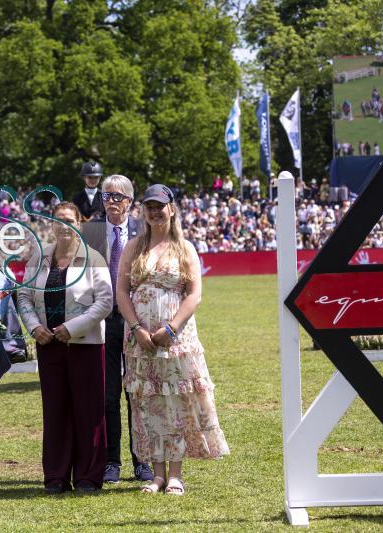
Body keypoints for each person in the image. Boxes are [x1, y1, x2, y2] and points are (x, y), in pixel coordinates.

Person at [117, 184, 229, 495]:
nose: (155, 212)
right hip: (140, 340)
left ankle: (175, 474)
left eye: (160, 206)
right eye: (149, 206)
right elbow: (122, 293)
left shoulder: (185, 248)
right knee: (147, 402)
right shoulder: (133, 247)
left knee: (176, 402)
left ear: (172, 209)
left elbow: (194, 294)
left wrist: (171, 328)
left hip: (176, 340)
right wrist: (137, 327)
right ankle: (155, 474)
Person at [17, 201, 112, 493]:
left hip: (85, 345)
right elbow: (23, 297)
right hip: (49, 346)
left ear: (79, 224)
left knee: (89, 411)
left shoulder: (93, 258)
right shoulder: (39, 258)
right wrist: (34, 327)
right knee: (55, 412)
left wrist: (73, 328)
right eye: (58, 220)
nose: (64, 225)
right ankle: (56, 476)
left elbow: (105, 302)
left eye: (69, 220)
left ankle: (88, 476)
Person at [80, 175, 153, 484]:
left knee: (137, 392)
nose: (111, 201)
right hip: (102, 320)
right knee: (108, 394)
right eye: (106, 196)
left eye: (117, 197)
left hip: (137, 321)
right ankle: (112, 461)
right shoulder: (90, 231)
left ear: (129, 203)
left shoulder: (146, 231)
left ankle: (143, 460)